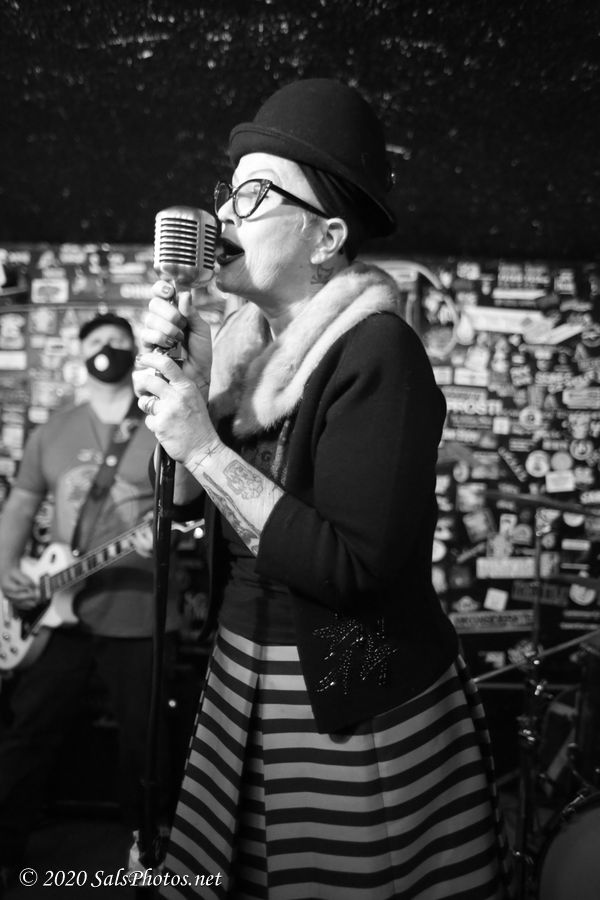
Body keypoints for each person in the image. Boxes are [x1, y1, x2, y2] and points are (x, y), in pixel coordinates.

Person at [133, 79, 513, 899]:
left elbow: (353, 568)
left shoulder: (379, 353)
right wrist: (184, 400)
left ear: (327, 236)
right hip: (239, 674)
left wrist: (205, 446)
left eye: (254, 195)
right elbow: (184, 514)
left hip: (349, 695)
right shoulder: (239, 351)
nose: (224, 215)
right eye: (226, 192)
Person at [0, 312, 180, 883]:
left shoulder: (161, 425)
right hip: (56, 609)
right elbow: (22, 502)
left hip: (137, 613)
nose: (108, 348)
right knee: (28, 730)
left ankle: (149, 861)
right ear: (81, 351)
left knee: (145, 747)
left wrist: (165, 538)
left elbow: (190, 505)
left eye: (120, 341)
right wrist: (5, 569)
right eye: (98, 340)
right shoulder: (55, 429)